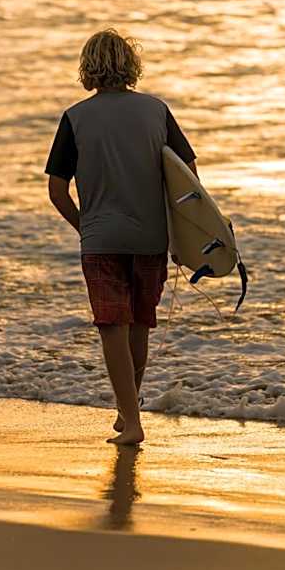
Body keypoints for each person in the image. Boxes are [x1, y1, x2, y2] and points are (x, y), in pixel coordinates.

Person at [44, 28, 197, 444]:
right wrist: (182, 237)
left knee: (112, 325)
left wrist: (86, 228)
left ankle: (131, 421)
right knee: (139, 325)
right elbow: (188, 181)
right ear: (131, 65)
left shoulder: (75, 117)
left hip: (101, 240)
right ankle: (128, 413)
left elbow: (57, 191)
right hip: (151, 238)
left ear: (87, 68)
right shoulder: (156, 111)